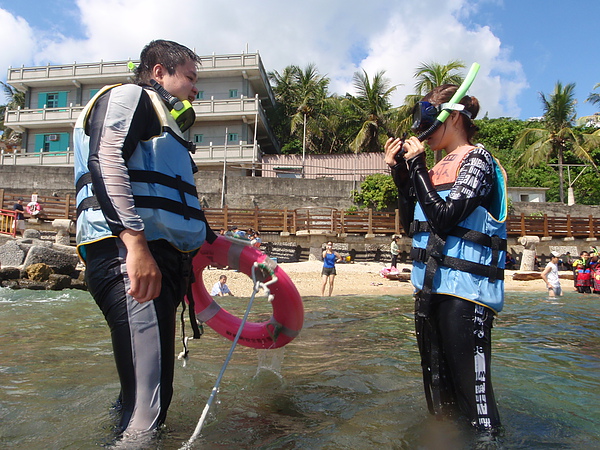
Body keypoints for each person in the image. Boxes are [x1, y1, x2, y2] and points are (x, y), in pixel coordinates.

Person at [74, 40, 216, 440]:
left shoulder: (168, 128)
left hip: (158, 260)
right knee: (148, 405)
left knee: (140, 396)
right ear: (158, 72)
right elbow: (107, 157)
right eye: (189, 77)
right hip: (130, 257)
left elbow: (176, 203)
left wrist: (213, 242)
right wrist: (135, 245)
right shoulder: (130, 98)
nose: (195, 88)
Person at [384, 84, 505, 433]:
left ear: (453, 117)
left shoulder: (477, 160)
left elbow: (444, 217)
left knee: (476, 404)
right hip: (429, 291)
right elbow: (411, 224)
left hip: (466, 295)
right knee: (438, 399)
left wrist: (418, 165)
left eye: (429, 125)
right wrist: (401, 174)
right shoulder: (434, 171)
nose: (423, 136)